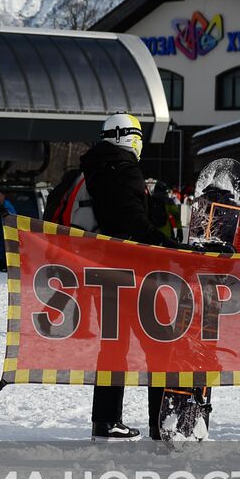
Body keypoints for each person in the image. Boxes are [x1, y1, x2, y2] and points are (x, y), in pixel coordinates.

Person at [79, 113, 181, 441]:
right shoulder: (125, 170)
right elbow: (134, 223)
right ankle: (161, 422)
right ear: (126, 136)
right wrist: (170, 246)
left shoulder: (88, 170)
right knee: (160, 344)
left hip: (101, 270)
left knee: (113, 346)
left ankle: (105, 420)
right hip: (134, 272)